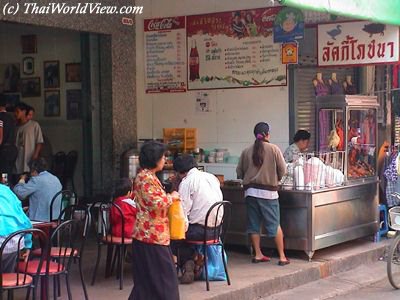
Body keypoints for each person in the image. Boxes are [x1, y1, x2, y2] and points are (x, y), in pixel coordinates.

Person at [129, 141, 180, 300]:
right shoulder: (146, 178)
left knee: (147, 282)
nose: (165, 159)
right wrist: (172, 197)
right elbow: (157, 203)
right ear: (155, 158)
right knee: (165, 281)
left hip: (148, 235)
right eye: (163, 156)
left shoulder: (146, 176)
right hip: (152, 236)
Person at [237, 122, 290, 265]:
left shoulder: (246, 151)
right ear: (267, 134)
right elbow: (283, 170)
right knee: (274, 224)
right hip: (269, 194)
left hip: (250, 193)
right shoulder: (274, 149)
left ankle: (258, 254)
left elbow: (239, 172)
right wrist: (275, 178)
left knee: (254, 224)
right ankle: (282, 256)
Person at [172, 154, 223, 283]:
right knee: (186, 230)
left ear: (179, 172)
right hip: (217, 231)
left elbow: (183, 213)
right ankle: (195, 261)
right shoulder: (211, 177)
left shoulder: (186, 182)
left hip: (200, 232)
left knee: (175, 236)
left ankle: (188, 262)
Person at [0, 183, 32, 272]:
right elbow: (25, 221)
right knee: (7, 275)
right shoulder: (6, 191)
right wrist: (28, 245)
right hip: (14, 239)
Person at [14, 103, 44, 176]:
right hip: (17, 160)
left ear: (24, 112)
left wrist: (35, 155)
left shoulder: (34, 125)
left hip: (29, 159)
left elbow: (39, 142)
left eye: (17, 111)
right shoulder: (15, 127)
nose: (15, 114)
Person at [0, 93, 17, 175]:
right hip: (12, 150)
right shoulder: (12, 117)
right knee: (7, 174)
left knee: (3, 175)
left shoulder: (1, 118)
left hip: (3, 151)